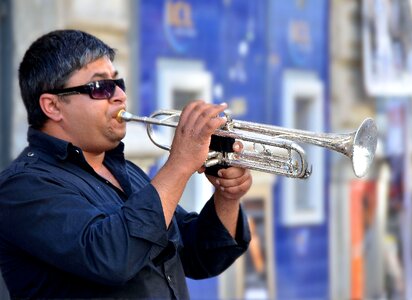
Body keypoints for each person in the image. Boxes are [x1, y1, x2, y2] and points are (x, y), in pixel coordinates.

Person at [0, 29, 252, 299]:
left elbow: (196, 255)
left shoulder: (127, 172)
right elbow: (111, 257)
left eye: (117, 82)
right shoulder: (22, 187)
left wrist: (227, 197)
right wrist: (180, 164)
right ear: (53, 106)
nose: (119, 95)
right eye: (100, 87)